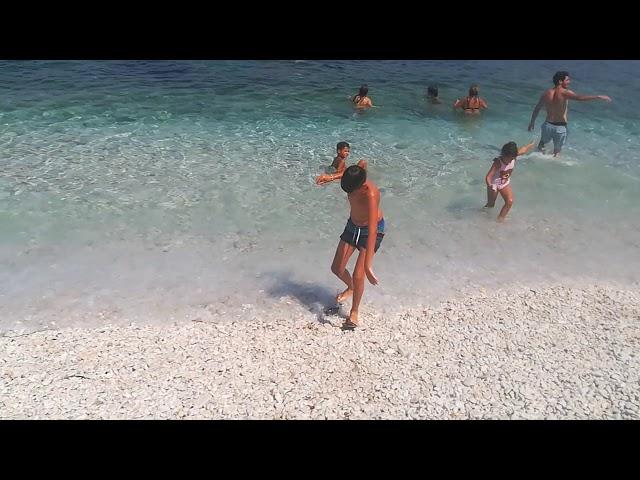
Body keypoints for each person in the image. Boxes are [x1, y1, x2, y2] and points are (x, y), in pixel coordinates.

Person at [316, 164, 384, 329]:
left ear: (361, 186)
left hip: (370, 230)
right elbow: (351, 172)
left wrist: (368, 265)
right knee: (337, 268)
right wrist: (330, 177)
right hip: (352, 227)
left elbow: (374, 228)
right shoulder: (355, 176)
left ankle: (354, 312)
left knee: (359, 275)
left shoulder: (371, 193)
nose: (350, 194)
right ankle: (352, 288)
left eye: (352, 191)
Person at [528, 71, 612, 156]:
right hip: (560, 128)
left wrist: (532, 122)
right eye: (567, 80)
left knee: (541, 147)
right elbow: (580, 98)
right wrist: (598, 96)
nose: (569, 82)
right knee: (557, 153)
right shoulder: (565, 92)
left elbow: (537, 108)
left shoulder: (546, 93)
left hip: (547, 126)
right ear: (560, 81)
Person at [484, 140, 535, 221]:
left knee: (509, 201)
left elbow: (523, 149)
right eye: (510, 158)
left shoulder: (513, 155)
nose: (511, 160)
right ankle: (481, 215)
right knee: (490, 205)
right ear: (503, 154)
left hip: (504, 183)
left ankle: (499, 221)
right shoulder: (498, 162)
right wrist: (490, 185)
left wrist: (530, 145)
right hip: (494, 184)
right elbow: (488, 176)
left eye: (513, 158)